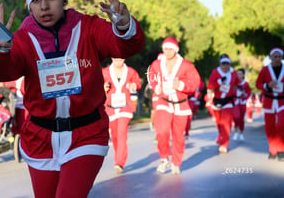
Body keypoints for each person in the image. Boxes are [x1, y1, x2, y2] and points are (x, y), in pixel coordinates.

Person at [0, 0, 145, 197]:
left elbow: (125, 47)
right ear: (30, 7)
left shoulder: (88, 27)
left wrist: (123, 25)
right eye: (37, 0)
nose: (44, 6)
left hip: (86, 134)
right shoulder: (21, 38)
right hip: (40, 138)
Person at [148, 37, 200, 175]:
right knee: (162, 131)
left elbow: (195, 82)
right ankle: (164, 158)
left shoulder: (186, 65)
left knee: (178, 136)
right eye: (165, 48)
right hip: (163, 101)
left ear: (176, 49)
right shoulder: (157, 64)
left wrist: (182, 85)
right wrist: (156, 86)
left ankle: (176, 163)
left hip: (180, 104)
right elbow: (151, 75)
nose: (167, 51)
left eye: (170, 48)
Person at [102, 58, 141, 174]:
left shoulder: (131, 71)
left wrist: (134, 85)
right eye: (115, 57)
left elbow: (137, 83)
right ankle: (118, 157)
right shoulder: (104, 72)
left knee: (122, 133)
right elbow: (96, 85)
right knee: (114, 135)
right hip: (110, 107)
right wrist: (104, 87)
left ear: (124, 58)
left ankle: (119, 162)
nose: (118, 60)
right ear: (111, 58)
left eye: (120, 57)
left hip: (125, 106)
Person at [207, 54, 239, 154]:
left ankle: (224, 144)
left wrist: (234, 93)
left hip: (228, 101)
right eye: (223, 64)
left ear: (230, 65)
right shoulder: (215, 72)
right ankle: (221, 135)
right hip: (217, 100)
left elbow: (237, 83)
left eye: (227, 64)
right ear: (220, 64)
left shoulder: (233, 73)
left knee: (226, 122)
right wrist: (219, 81)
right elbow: (210, 86)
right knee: (219, 123)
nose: (225, 66)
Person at [255, 48, 284, 160]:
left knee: (281, 125)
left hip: (282, 101)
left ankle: (281, 149)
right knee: (270, 126)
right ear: (270, 57)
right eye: (275, 56)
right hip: (269, 101)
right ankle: (272, 149)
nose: (277, 59)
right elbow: (258, 84)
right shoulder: (265, 70)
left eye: (279, 56)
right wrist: (267, 85)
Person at [232, 68, 252, 141]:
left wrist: (244, 93)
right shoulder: (234, 83)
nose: (238, 75)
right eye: (237, 74)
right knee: (236, 116)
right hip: (235, 101)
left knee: (241, 117)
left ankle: (241, 132)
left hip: (242, 101)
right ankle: (236, 131)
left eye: (240, 74)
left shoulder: (245, 83)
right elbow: (231, 91)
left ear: (243, 74)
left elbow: (249, 92)